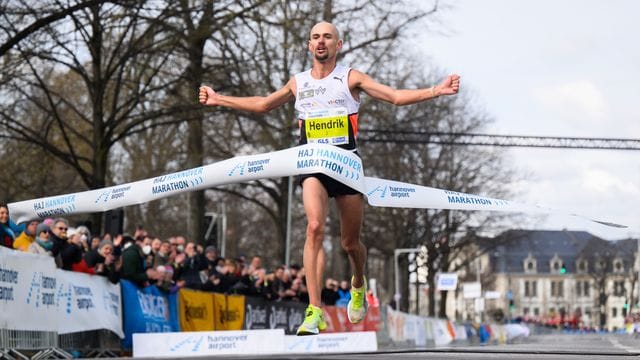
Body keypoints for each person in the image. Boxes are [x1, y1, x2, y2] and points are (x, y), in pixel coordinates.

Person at [199, 21, 460, 335]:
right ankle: (314, 310)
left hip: (346, 165)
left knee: (350, 244)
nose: (321, 42)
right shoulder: (298, 82)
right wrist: (218, 99)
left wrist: (436, 90)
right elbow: (265, 104)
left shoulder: (351, 78)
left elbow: (393, 96)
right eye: (315, 37)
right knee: (314, 227)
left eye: (327, 37)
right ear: (309, 45)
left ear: (339, 44)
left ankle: (358, 283)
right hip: (312, 164)